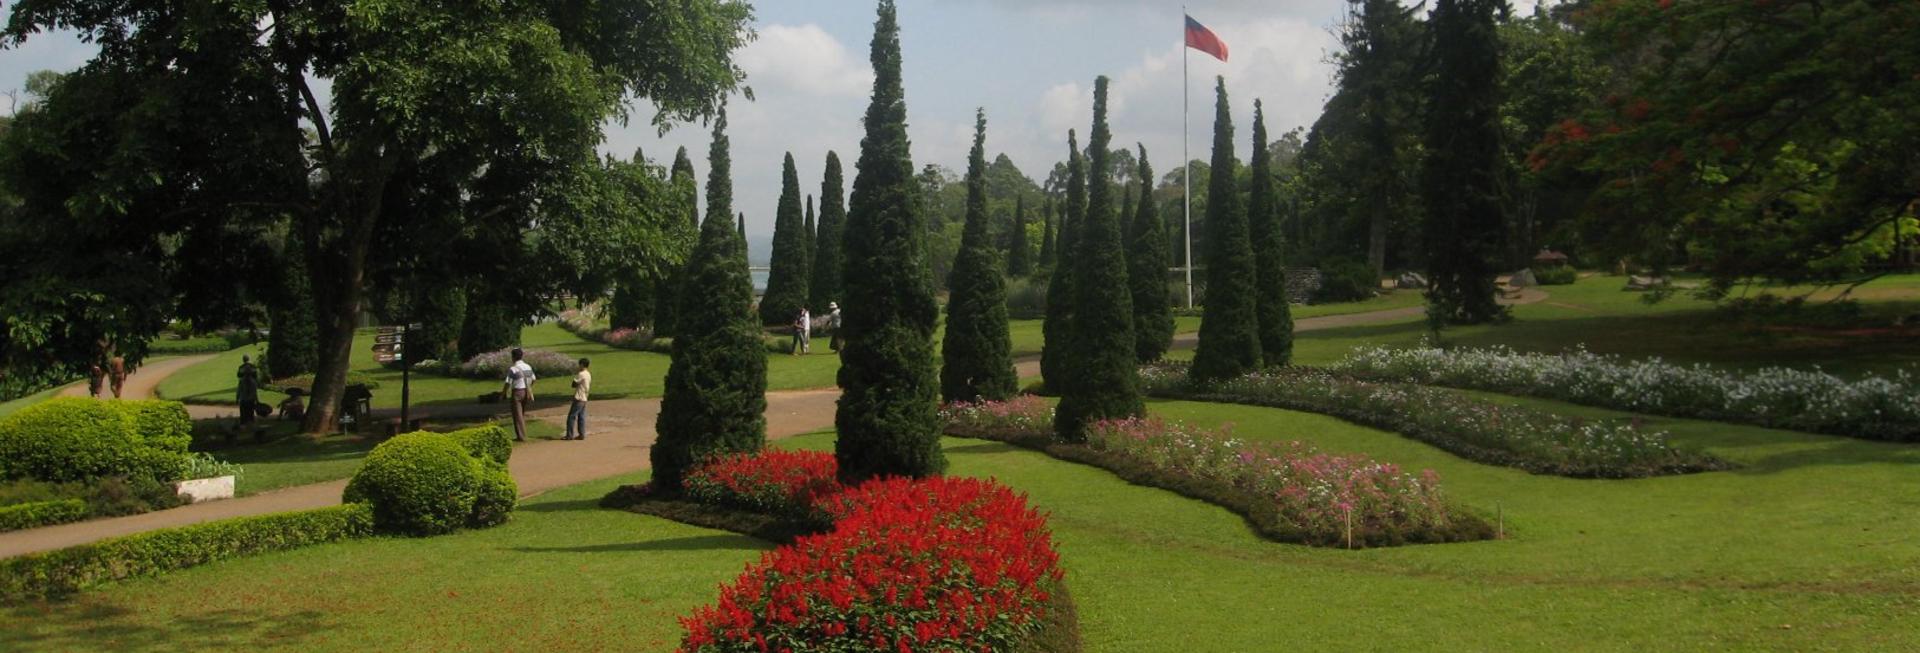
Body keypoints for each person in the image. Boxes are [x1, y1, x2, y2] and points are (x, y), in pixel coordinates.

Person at [501, 348, 536, 442]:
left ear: (513, 357)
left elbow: (508, 382)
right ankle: (522, 434)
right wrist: (529, 387)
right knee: (522, 413)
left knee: (517, 414)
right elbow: (533, 379)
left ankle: (521, 436)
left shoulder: (513, 369)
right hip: (526, 391)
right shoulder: (528, 366)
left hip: (517, 392)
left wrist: (503, 393)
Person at [564, 358, 591, 441]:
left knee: (571, 416)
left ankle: (569, 435)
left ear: (582, 365)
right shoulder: (588, 374)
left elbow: (574, 384)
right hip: (585, 397)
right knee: (581, 416)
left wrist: (575, 377)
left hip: (579, 397)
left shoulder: (581, 374)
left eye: (580, 364)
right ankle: (581, 434)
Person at [236, 356, 260, 425]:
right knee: (250, 414)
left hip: (243, 400)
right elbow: (254, 392)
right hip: (250, 400)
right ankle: (250, 426)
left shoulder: (241, 379)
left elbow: (239, 390)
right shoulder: (253, 381)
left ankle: (244, 426)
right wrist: (257, 400)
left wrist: (237, 398)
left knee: (243, 416)